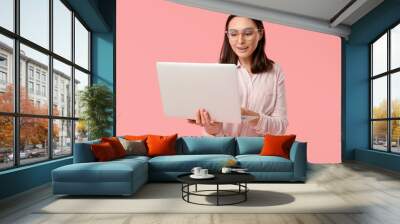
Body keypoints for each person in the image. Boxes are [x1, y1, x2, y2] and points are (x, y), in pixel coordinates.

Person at [188, 15, 288, 137]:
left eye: (248, 33)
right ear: (227, 36)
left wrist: (248, 115)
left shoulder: (275, 71)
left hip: (257, 152)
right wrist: (211, 126)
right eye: (233, 34)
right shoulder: (216, 72)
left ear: (260, 34)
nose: (240, 41)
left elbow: (281, 126)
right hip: (222, 149)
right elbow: (215, 131)